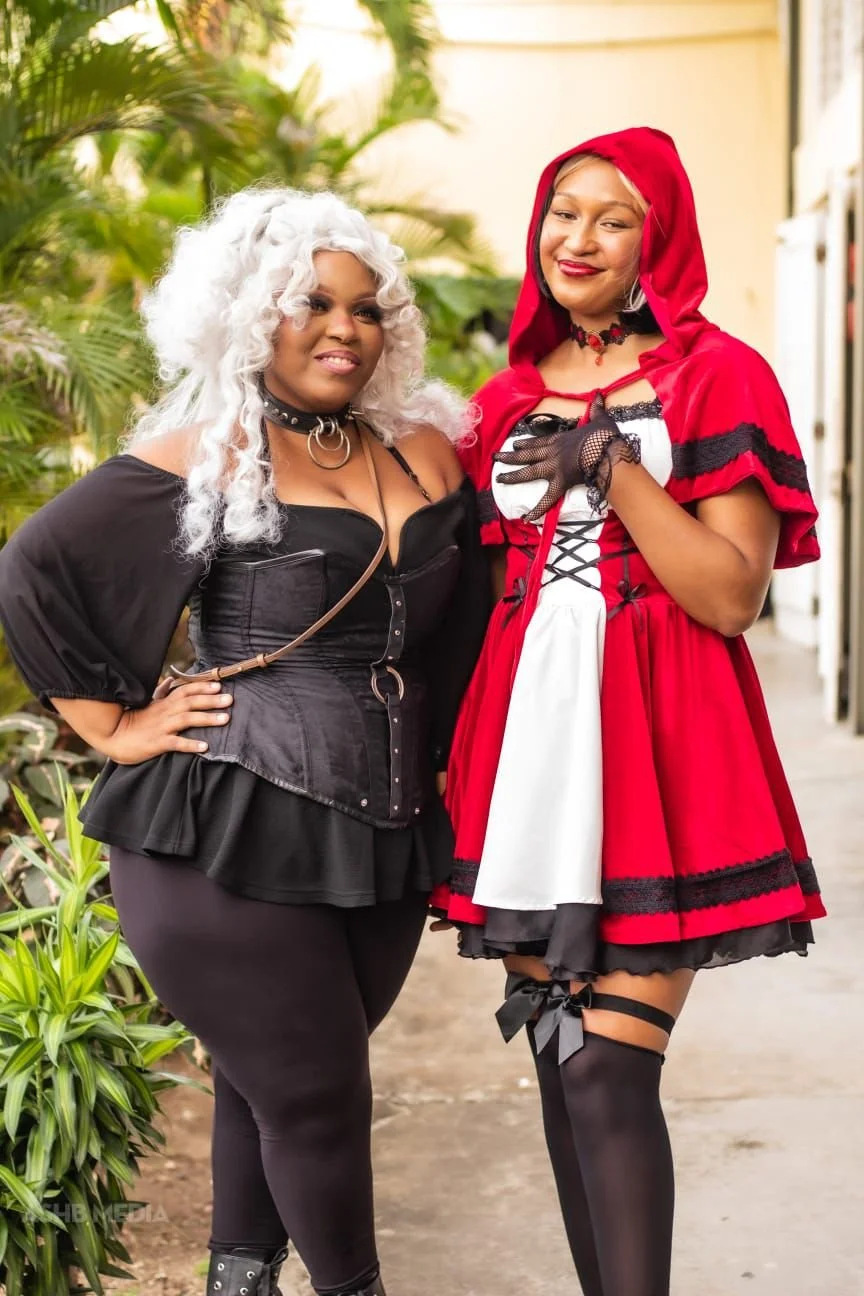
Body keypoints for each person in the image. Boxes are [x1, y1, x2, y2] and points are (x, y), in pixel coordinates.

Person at [0, 188, 490, 1296]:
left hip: (382, 833)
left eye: (367, 311)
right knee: (320, 1096)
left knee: (276, 1086)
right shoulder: (212, 450)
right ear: (254, 311)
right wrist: (114, 727)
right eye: (313, 303)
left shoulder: (421, 452)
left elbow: (467, 611)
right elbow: (35, 563)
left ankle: (240, 1281)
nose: (343, 330)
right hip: (225, 822)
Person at [430, 127, 826, 1296]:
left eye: (613, 217)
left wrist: (618, 468)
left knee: (608, 1071)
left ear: (660, 238)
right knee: (559, 1061)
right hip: (528, 761)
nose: (579, 238)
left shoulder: (718, 376)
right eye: (562, 212)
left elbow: (729, 592)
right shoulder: (497, 400)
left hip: (659, 750)